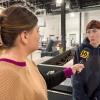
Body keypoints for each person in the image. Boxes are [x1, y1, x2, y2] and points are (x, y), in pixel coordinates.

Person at [0, 5, 84, 100]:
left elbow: (44, 82)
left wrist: (70, 70)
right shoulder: (4, 77)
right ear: (25, 36)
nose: (39, 36)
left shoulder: (27, 62)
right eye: (37, 31)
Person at [72, 20, 100, 100]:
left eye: (94, 31)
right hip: (82, 95)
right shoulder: (82, 50)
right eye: (88, 32)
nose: (91, 35)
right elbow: (76, 74)